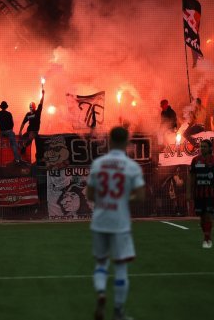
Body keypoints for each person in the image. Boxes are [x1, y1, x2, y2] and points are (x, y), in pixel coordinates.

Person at [86, 126, 145, 320]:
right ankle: (118, 311)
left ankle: (101, 292)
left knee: (101, 262)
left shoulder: (98, 164)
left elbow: (90, 194)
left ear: (109, 141)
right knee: (120, 266)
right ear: (127, 142)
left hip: (100, 220)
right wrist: (123, 198)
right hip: (119, 222)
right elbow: (140, 196)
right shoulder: (131, 166)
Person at [187, 140, 214, 248]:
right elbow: (191, 177)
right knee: (201, 217)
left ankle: (207, 238)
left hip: (210, 193)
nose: (202, 148)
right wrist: (189, 192)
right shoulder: (195, 160)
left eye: (204, 146)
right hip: (198, 194)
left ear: (210, 148)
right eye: (201, 146)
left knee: (208, 215)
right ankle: (206, 234)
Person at [19, 90, 45, 162]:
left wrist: (43, 95)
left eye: (32, 107)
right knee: (22, 138)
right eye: (30, 107)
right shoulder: (28, 114)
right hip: (29, 130)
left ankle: (24, 147)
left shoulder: (38, 112)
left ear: (34, 107)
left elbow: (41, 102)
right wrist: (20, 131)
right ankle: (23, 149)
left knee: (30, 138)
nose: (31, 108)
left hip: (34, 131)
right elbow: (23, 123)